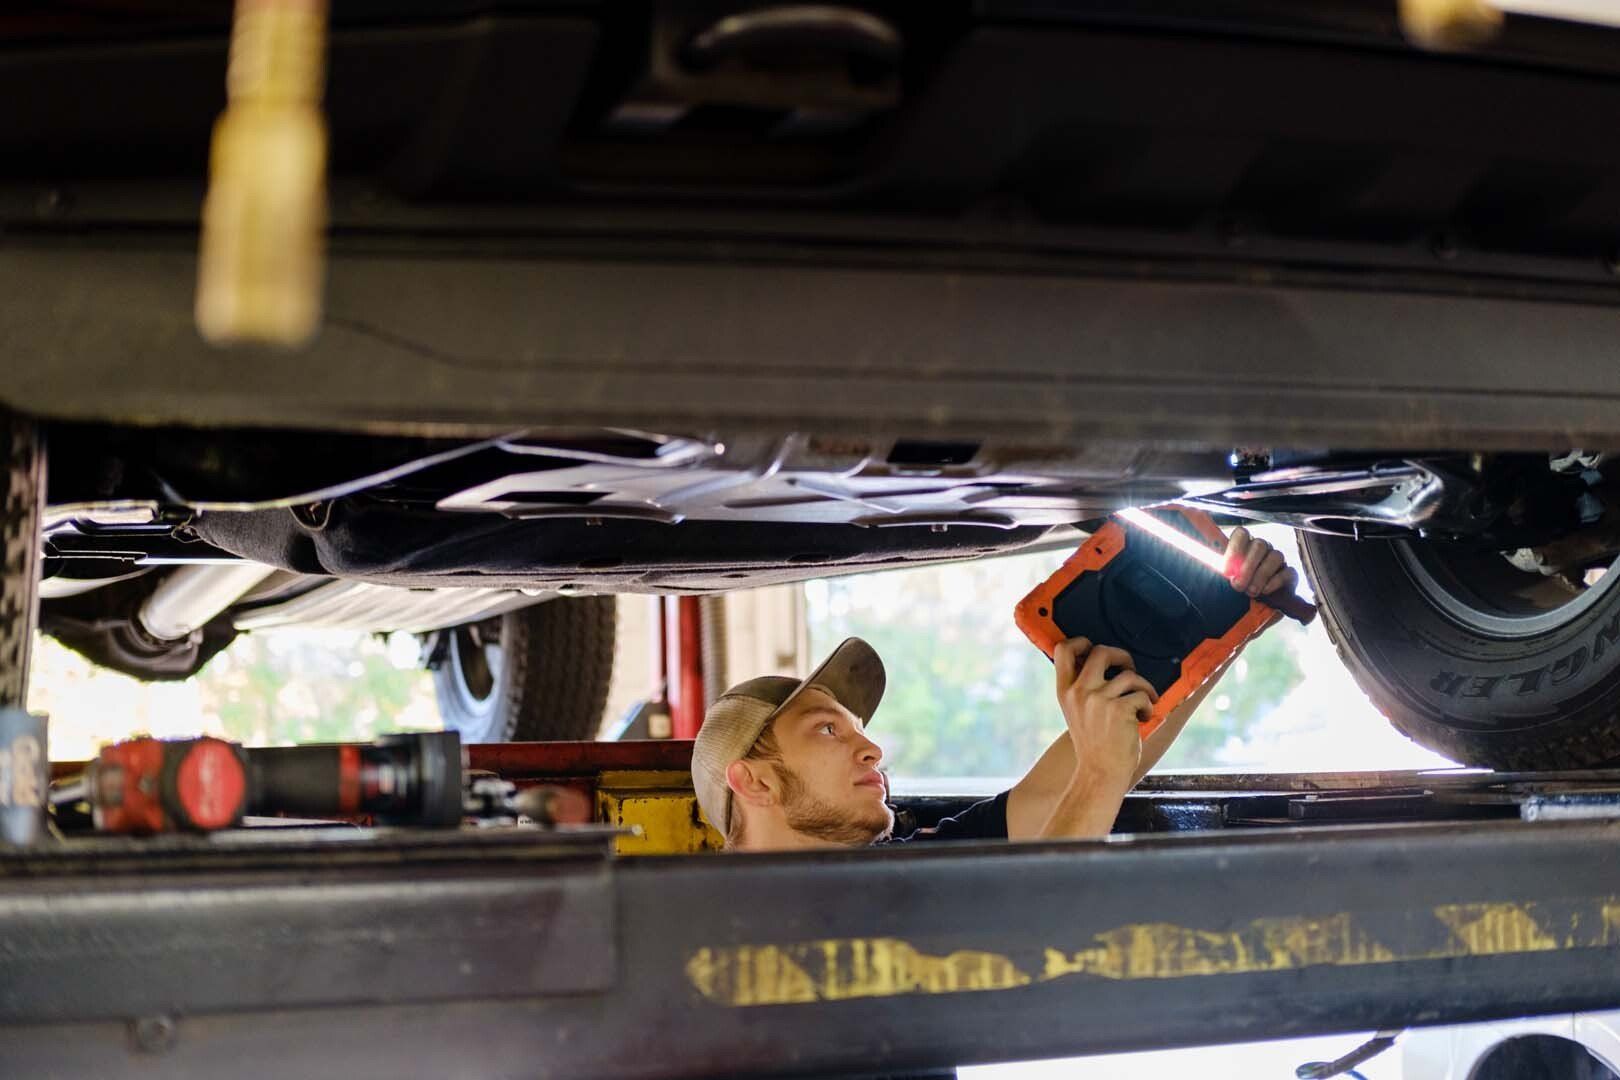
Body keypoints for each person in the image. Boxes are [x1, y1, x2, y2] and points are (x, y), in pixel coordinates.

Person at [690, 527, 1300, 851]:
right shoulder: (710, 943)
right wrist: (1099, 775)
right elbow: (1024, 935)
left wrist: (1230, 619)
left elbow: (1108, 751)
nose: (872, 750)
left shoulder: (927, 865)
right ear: (756, 781)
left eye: (855, 728)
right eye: (827, 728)